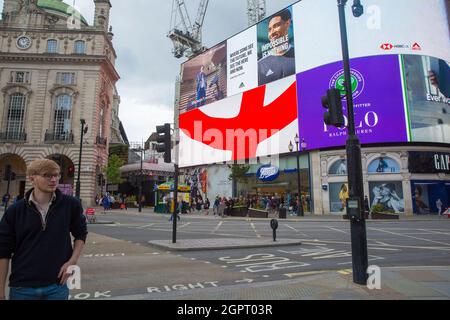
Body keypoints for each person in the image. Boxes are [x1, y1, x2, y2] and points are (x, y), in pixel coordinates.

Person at [0, 159, 87, 300]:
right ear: (32, 178)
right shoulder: (14, 211)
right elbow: (3, 251)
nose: (53, 180)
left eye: (57, 175)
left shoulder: (71, 205)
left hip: (57, 285)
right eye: (47, 175)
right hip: (22, 286)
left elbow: (81, 233)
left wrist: (72, 261)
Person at [258, 8, 295, 86]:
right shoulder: (260, 65)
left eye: (276, 25)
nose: (272, 33)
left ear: (287, 24)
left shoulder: (299, 54)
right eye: (269, 29)